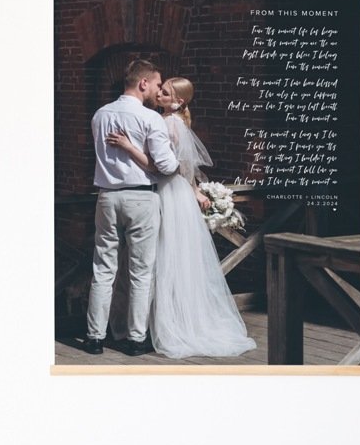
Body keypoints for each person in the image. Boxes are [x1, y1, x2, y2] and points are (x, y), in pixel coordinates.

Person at [106, 77, 256, 359]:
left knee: (162, 256)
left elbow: (165, 167)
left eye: (165, 93)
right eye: (160, 90)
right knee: (165, 256)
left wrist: (128, 146)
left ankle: (160, 325)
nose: (159, 95)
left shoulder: (168, 123)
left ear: (178, 101)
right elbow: (184, 169)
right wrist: (195, 190)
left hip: (164, 191)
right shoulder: (171, 121)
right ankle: (155, 323)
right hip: (175, 191)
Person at [84, 59, 179, 356]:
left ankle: (94, 337)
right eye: (156, 84)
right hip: (140, 198)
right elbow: (167, 166)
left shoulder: (100, 115)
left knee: (103, 269)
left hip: (106, 197)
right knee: (140, 271)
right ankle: (136, 339)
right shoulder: (150, 118)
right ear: (143, 83)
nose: (157, 90)